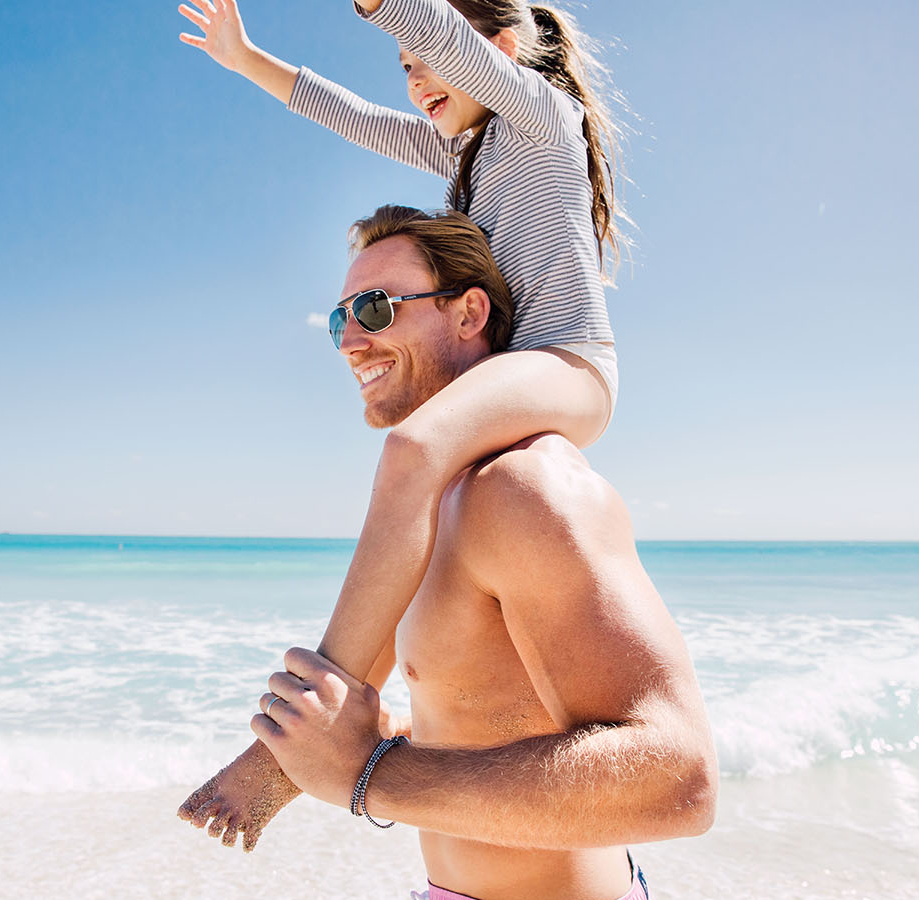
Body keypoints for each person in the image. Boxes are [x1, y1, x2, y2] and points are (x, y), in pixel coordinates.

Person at [177, 0, 628, 849]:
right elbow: (347, 115)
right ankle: (331, 720)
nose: (417, 78)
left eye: (426, 59)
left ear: (498, 51)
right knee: (425, 544)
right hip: (508, 380)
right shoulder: (461, 152)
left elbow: (444, 36)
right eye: (406, 66)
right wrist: (249, 63)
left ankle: (294, 744)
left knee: (415, 446)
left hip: (568, 366)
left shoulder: (541, 115)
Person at [200, 204, 717, 899]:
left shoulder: (523, 488)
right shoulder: (430, 507)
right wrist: (396, 736)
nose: (351, 341)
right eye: (338, 320)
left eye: (376, 309)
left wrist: (371, 776)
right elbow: (505, 706)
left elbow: (677, 779)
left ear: (469, 314)